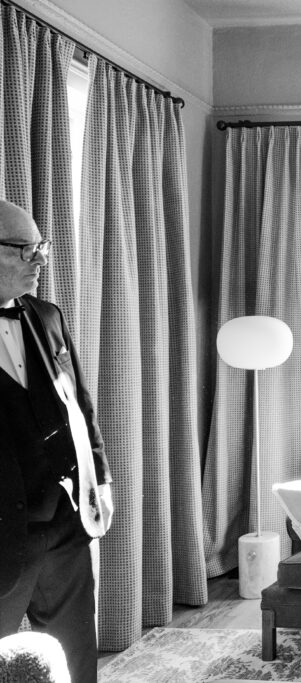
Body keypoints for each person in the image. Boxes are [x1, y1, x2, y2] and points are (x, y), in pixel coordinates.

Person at [0, 199, 113, 683]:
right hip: (4, 531)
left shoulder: (47, 316)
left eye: (40, 247)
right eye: (24, 249)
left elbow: (80, 406)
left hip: (66, 522)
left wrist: (100, 479)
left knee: (75, 655)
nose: (40, 260)